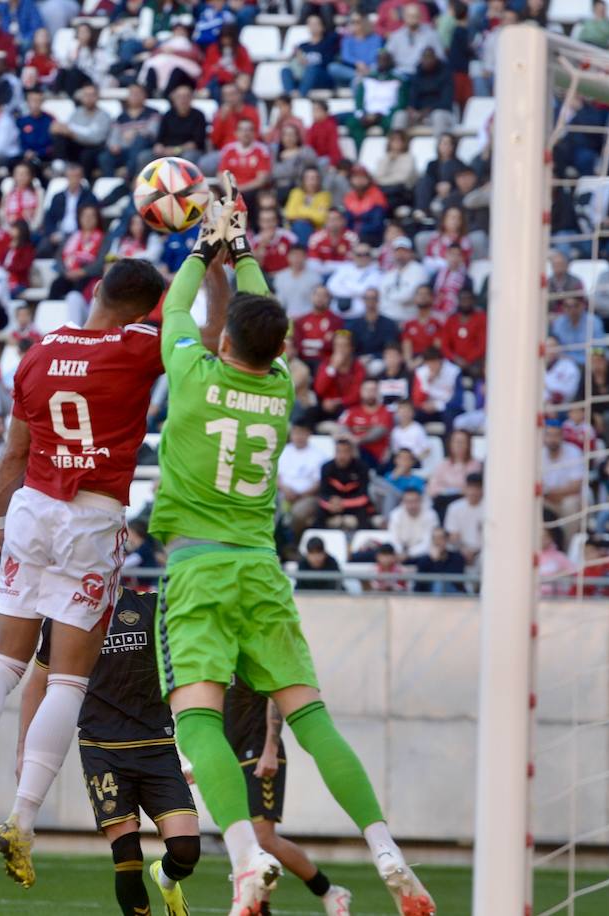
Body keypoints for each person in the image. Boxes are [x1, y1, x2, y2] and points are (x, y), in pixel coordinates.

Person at [149, 176, 432, 914]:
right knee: (312, 719)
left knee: (198, 718)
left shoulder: (189, 373)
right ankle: (384, 848)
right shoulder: (281, 388)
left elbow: (174, 309)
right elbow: (257, 313)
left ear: (226, 339)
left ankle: (246, 858)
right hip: (262, 570)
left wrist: (200, 248)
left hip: (196, 570)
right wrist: (240, 249)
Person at [0, 255, 170, 887]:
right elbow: (202, 323)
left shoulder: (37, 351)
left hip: (29, 508)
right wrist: (210, 258)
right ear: (141, 311)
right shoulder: (138, 347)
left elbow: (13, 451)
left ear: (93, 291)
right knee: (68, 684)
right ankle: (22, 822)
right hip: (90, 515)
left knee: (3, 664)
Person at [20, 588, 203, 916]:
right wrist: (25, 750)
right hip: (102, 749)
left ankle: (166, 878)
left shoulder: (152, 606)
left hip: (156, 746)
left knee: (186, 850)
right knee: (127, 854)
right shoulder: (63, 618)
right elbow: (37, 683)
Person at [221, 679, 355, 912]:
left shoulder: (251, 650)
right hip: (233, 755)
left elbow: (274, 696)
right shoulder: (218, 655)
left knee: (264, 838)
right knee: (248, 840)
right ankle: (260, 905)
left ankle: (329, 892)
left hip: (259, 753)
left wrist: (270, 750)